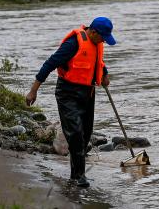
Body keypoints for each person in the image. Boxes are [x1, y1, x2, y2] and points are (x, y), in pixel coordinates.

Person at [25, 16, 116, 188]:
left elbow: (98, 62)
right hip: (68, 93)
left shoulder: (96, 42)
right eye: (102, 37)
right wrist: (33, 91)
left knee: (86, 134)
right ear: (94, 32)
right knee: (75, 134)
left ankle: (75, 174)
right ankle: (79, 177)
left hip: (88, 92)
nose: (104, 40)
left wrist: (104, 74)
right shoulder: (73, 44)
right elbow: (49, 64)